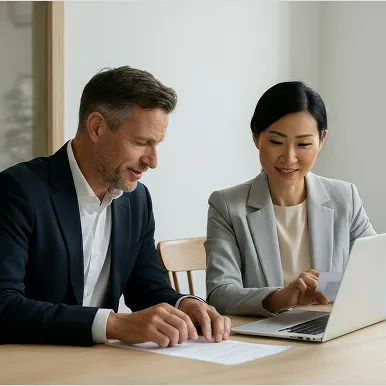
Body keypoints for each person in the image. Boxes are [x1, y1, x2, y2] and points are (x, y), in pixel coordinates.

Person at [0, 66, 230, 347]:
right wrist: (114, 324)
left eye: (157, 144)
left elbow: (145, 288)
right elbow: (4, 306)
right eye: (141, 142)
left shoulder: (136, 200)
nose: (153, 160)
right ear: (96, 127)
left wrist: (184, 304)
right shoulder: (18, 190)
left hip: (104, 364)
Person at [205, 81, 376, 317]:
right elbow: (220, 294)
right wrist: (280, 297)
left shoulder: (345, 198)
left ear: (322, 140)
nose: (289, 158)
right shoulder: (226, 206)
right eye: (276, 142)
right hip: (264, 337)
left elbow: (376, 275)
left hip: (329, 329)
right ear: (256, 137)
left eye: (304, 144)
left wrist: (330, 288)